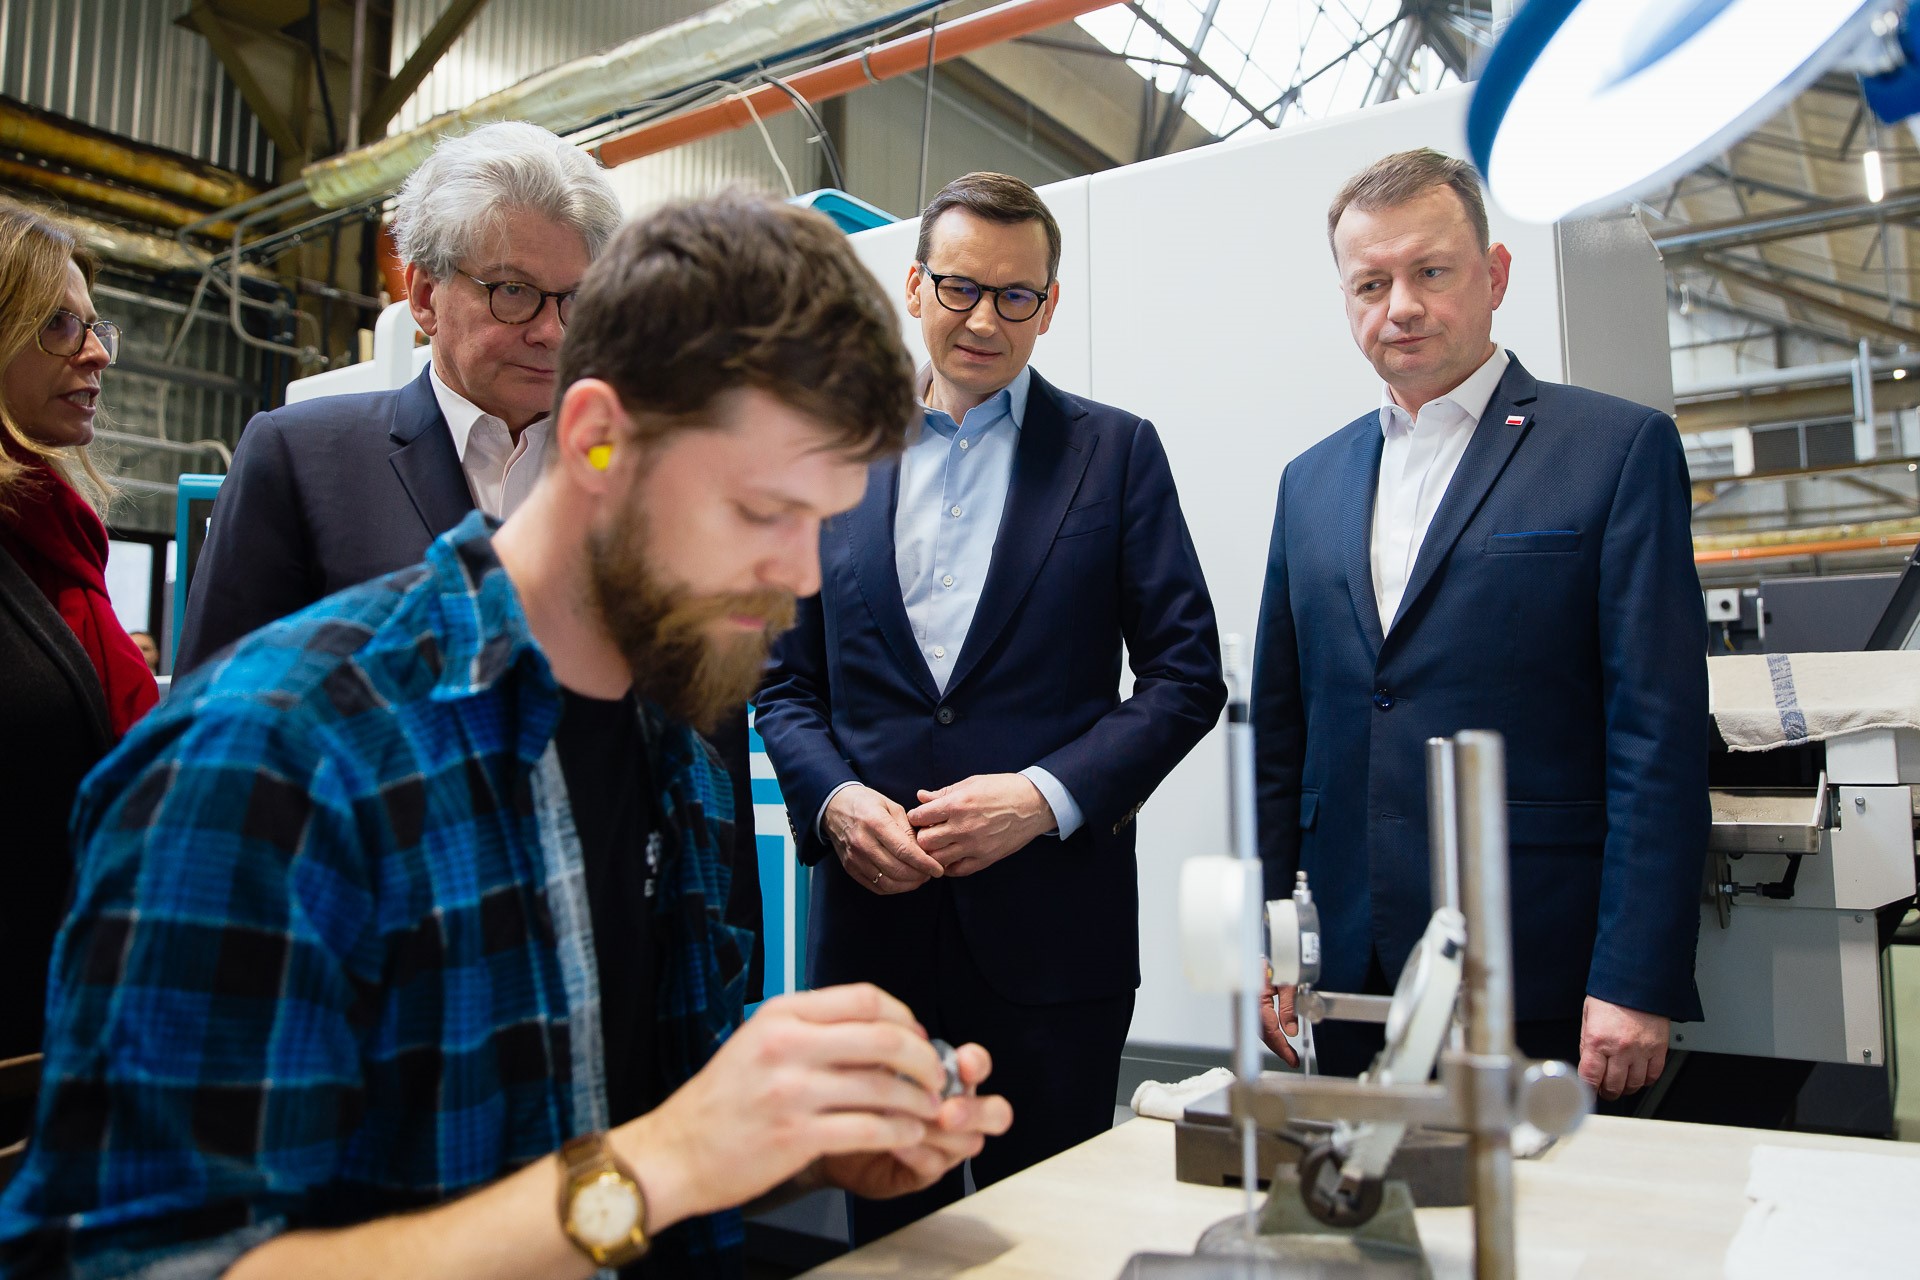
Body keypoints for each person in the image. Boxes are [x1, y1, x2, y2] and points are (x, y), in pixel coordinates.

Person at [0, 192, 1010, 1278]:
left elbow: (610, 1153)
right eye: (765, 511)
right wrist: (668, 1159)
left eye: (826, 520)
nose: (802, 575)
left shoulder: (677, 756)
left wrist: (797, 1144)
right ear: (600, 442)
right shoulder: (275, 763)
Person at [174, 119, 767, 999]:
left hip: (616, 959)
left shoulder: (647, 482)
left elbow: (705, 727)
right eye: (514, 293)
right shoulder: (304, 460)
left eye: (579, 301)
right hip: (388, 967)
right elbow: (213, 736)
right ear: (423, 294)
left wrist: (730, 965)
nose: (552, 332)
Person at [756, 171, 1225, 1240]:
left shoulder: (1115, 452)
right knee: (890, 1245)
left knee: (1054, 1236)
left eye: (1016, 296)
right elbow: (782, 683)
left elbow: (1186, 674)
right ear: (914, 286)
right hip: (873, 935)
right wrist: (834, 803)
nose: (983, 319)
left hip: (1053, 938)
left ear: (1049, 307)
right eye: (960, 288)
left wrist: (1042, 796)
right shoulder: (829, 452)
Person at [1251, 149, 1708, 1103]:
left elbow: (1656, 735)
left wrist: (1635, 976)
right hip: (1350, 967)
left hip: (1538, 963)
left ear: (1494, 276)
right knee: (1367, 1196)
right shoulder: (1310, 482)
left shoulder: (1614, 450)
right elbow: (1284, 743)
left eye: (1431, 272)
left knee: (1550, 1205)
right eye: (1371, 284)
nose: (1401, 307)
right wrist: (1275, 945)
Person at [0, 201, 155, 1142]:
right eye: (60, 325)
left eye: (94, 325)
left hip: (68, 1030)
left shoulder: (60, 538)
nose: (95, 353)